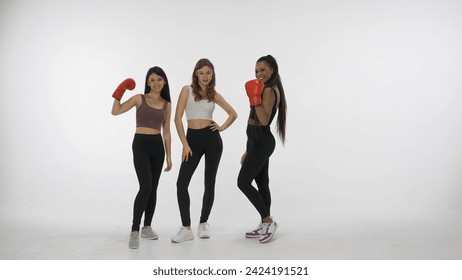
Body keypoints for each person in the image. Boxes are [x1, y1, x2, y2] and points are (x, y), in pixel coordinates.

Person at [171, 58, 237, 243]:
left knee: (209, 182)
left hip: (212, 140)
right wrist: (185, 144)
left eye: (208, 73)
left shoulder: (213, 93)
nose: (205, 76)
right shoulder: (187, 90)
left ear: (212, 74)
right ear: (196, 74)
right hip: (191, 140)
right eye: (201, 73)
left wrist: (222, 127)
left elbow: (233, 113)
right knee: (181, 183)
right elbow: (177, 119)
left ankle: (203, 223)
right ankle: (186, 228)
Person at [111, 66, 172, 249]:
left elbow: (167, 132)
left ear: (164, 82)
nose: (156, 83)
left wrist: (169, 156)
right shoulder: (139, 98)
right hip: (140, 145)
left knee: (153, 188)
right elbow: (116, 111)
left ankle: (147, 227)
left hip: (157, 146)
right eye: (152, 80)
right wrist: (119, 91)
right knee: (145, 186)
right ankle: (134, 230)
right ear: (148, 82)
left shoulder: (167, 104)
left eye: (159, 79)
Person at [237, 55, 287, 243]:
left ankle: (269, 221)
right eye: (256, 70)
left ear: (272, 70)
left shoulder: (269, 91)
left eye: (263, 70)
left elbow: (263, 120)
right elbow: (252, 128)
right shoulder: (263, 88)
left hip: (263, 141)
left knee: (242, 182)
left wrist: (254, 97)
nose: (259, 74)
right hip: (255, 141)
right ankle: (264, 223)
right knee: (262, 183)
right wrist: (247, 149)